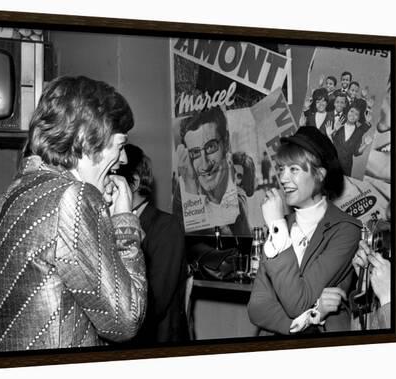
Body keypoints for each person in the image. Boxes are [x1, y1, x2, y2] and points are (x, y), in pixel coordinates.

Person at [0, 76, 147, 353]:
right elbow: (126, 320)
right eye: (120, 145)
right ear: (86, 138)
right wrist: (124, 221)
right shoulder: (73, 198)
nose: (123, 160)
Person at [247, 126, 361, 335]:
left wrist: (276, 225)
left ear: (319, 174)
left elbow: (297, 302)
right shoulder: (282, 225)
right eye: (281, 169)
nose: (282, 178)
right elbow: (257, 308)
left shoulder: (346, 230)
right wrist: (311, 317)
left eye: (294, 169)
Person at [117, 144, 190, 344]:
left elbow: (155, 303)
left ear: (133, 184)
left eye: (113, 181)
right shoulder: (110, 224)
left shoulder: (167, 227)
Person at [175, 106, 250, 235]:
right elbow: (188, 248)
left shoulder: (237, 196)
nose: (205, 165)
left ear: (225, 141)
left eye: (210, 147)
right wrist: (190, 188)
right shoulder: (184, 192)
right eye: (195, 152)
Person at [330, 103, 373, 177]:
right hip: (331, 162)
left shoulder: (359, 132)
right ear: (347, 112)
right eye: (351, 111)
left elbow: (356, 153)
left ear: (358, 118)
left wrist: (365, 144)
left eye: (356, 114)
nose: (353, 115)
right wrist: (335, 130)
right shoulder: (337, 123)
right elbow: (328, 140)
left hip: (345, 168)